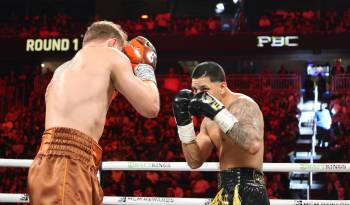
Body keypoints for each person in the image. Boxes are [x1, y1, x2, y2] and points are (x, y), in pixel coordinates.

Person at [27, 20, 160, 205]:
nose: (124, 58)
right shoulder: (112, 55)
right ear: (113, 43)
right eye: (122, 51)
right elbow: (151, 107)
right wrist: (146, 70)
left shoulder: (60, 71)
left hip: (50, 163)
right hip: (69, 165)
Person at [173, 61, 269, 205]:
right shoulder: (207, 121)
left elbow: (252, 145)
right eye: (194, 90)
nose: (198, 96)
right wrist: (184, 123)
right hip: (225, 188)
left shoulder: (243, 104)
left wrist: (218, 112)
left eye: (204, 90)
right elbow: (194, 161)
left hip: (250, 189)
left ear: (222, 87)